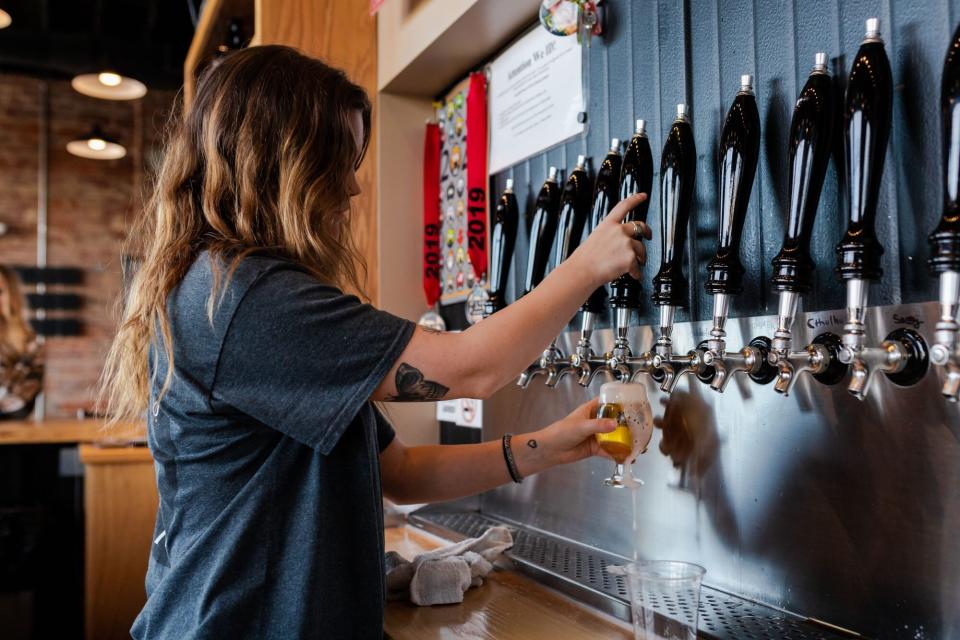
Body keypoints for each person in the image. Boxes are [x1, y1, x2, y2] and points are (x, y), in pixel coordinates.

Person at [100, 45, 652, 639]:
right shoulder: (245, 299)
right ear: (281, 162)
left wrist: (553, 444)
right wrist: (587, 267)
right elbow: (471, 370)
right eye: (339, 159)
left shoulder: (226, 288)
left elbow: (403, 471)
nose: (354, 189)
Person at [0, 266, 43, 420]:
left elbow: (21, 405)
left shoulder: (30, 344)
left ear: (12, 296)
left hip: (13, 434)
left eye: (0, 292)